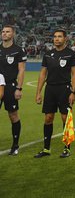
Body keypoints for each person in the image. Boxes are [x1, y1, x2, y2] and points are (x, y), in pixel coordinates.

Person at [34, 29, 75, 158]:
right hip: (50, 89)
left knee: (65, 118)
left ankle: (67, 148)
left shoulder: (71, 54)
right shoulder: (48, 54)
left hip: (64, 89)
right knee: (48, 118)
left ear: (65, 38)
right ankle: (46, 149)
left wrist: (73, 92)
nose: (57, 39)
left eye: (59, 36)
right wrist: (38, 92)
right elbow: (43, 74)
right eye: (55, 37)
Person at [0, 25, 27, 156]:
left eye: (7, 32)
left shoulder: (18, 50)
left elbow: (21, 70)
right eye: (3, 32)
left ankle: (15, 145)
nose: (4, 34)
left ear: (13, 34)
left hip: (10, 86)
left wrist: (19, 88)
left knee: (13, 115)